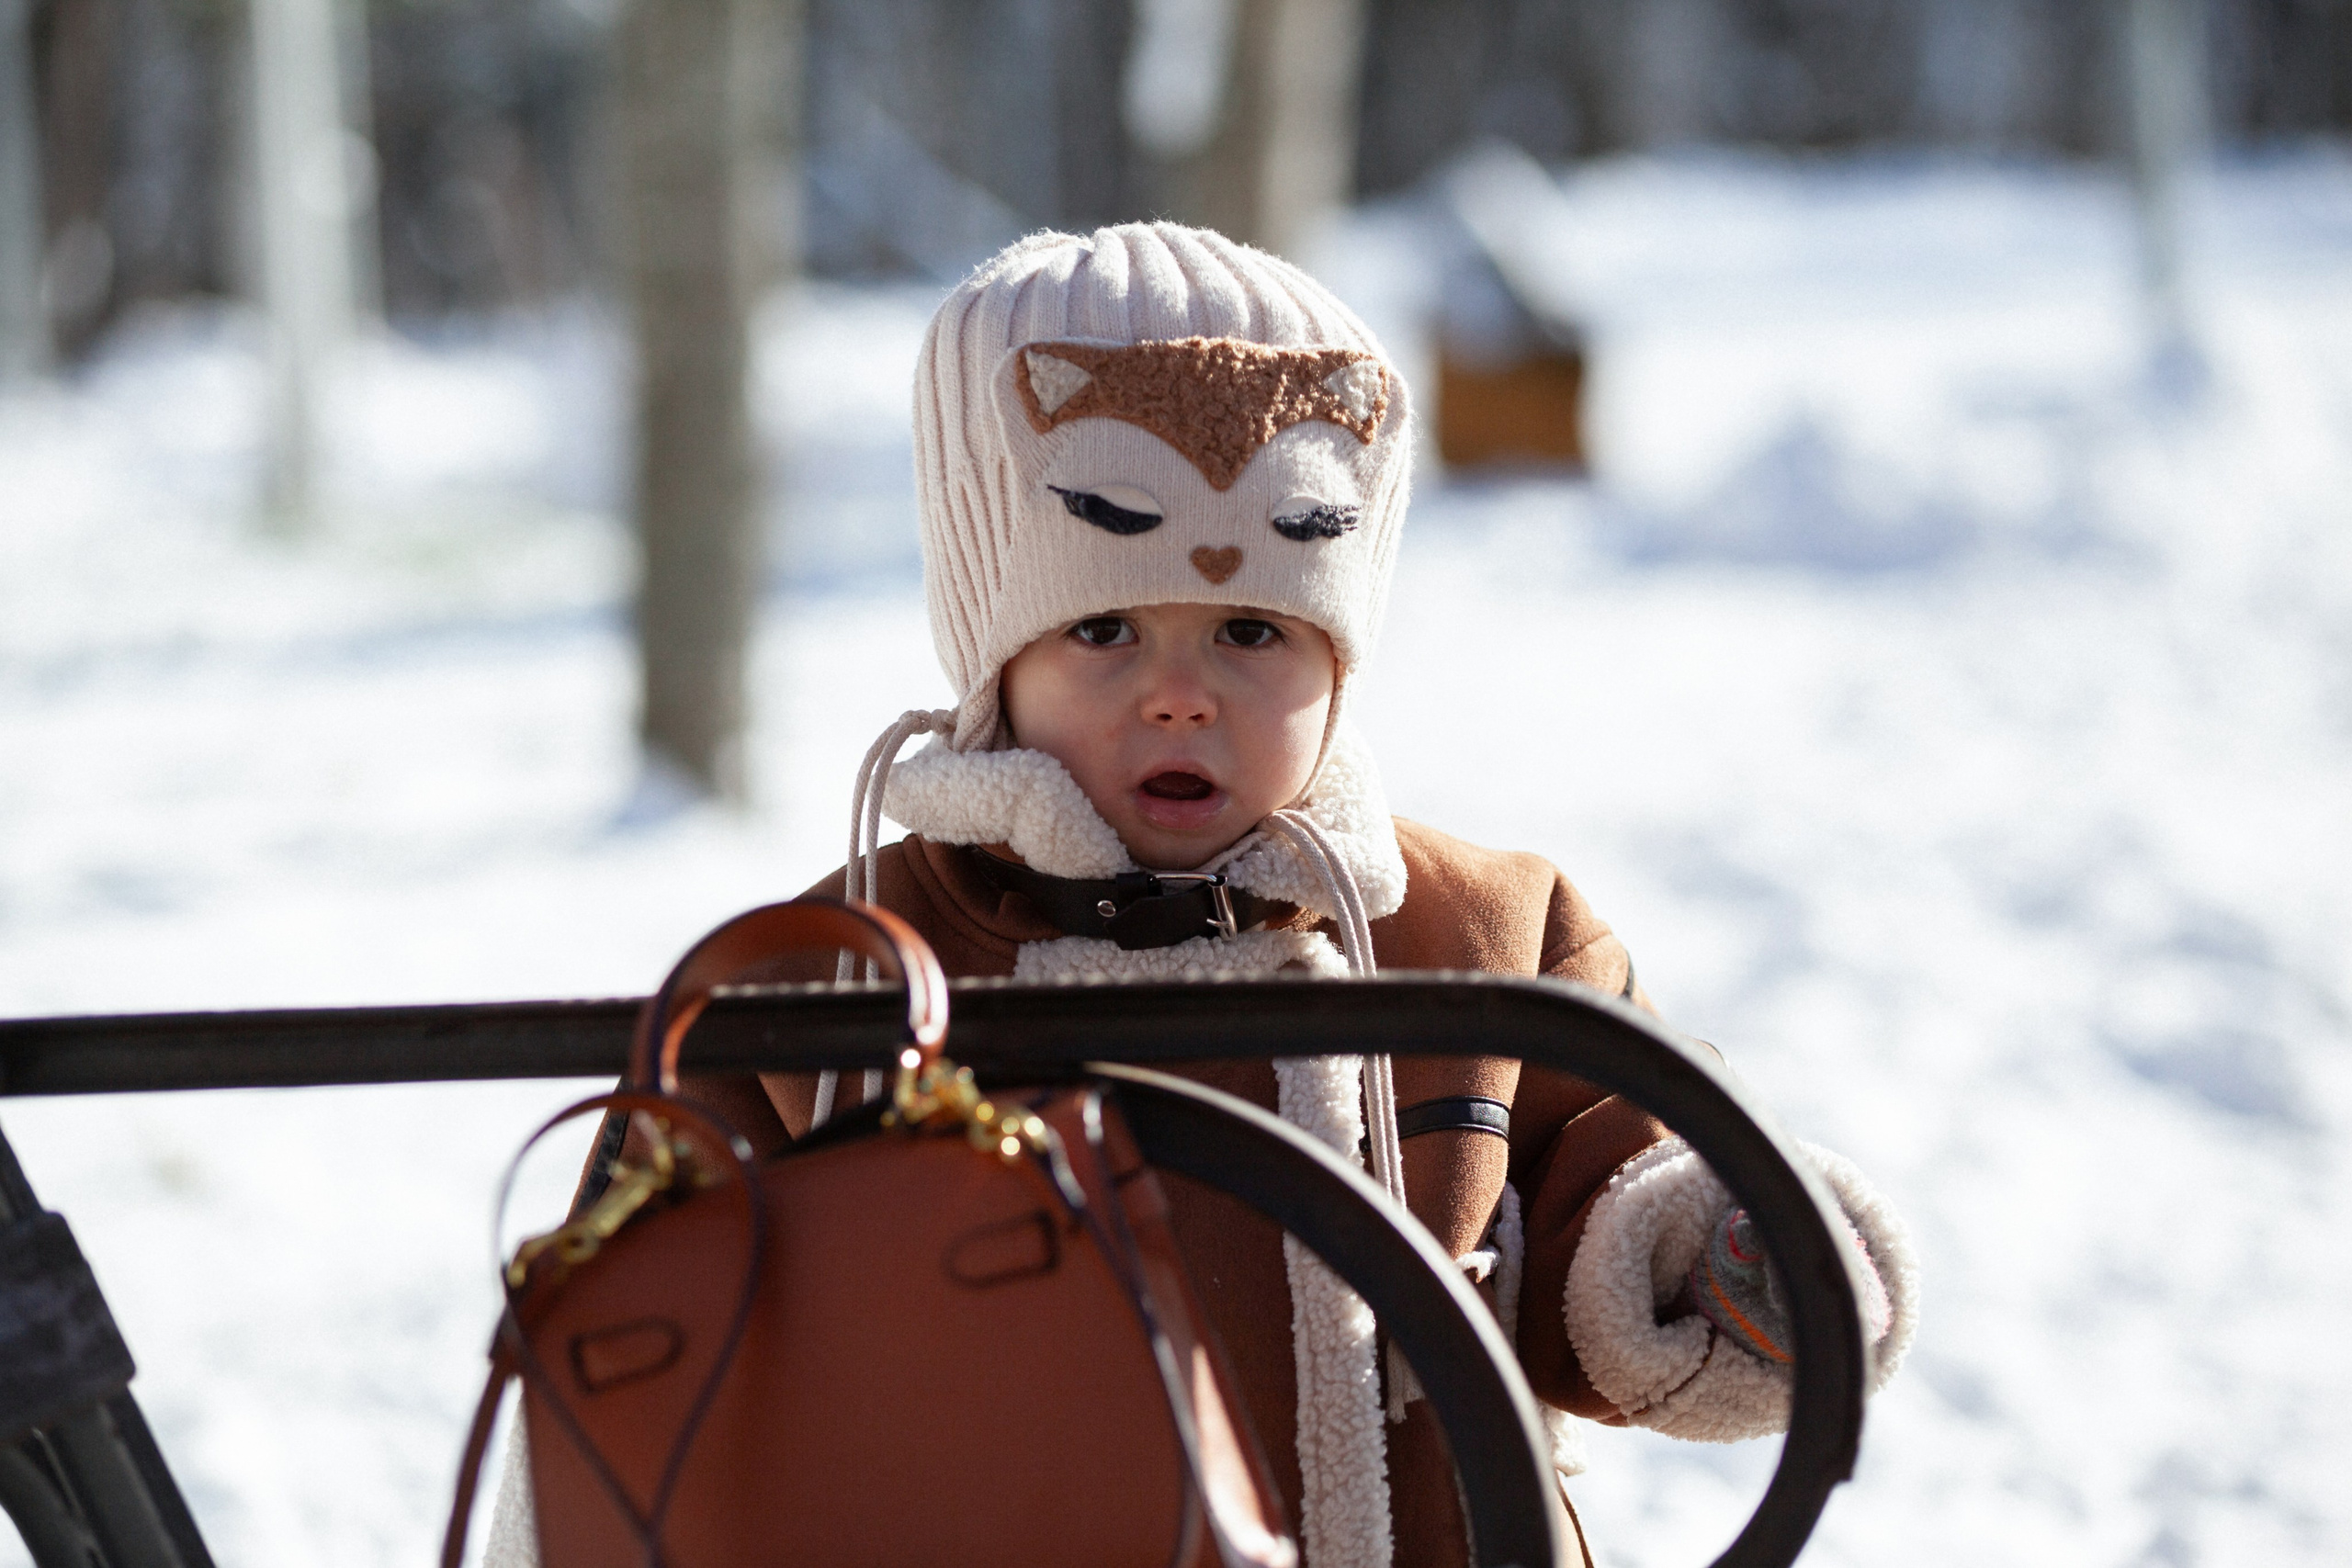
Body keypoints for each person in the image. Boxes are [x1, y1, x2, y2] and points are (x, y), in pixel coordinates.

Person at [492, 222, 1917, 1568]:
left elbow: (1615, 1194)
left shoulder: (1477, 943)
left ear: (1338, 657)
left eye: (1251, 632)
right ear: (993, 655)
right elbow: (626, 1342)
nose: (1181, 696)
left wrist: (1737, 1255)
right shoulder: (832, 980)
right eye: (1103, 629)